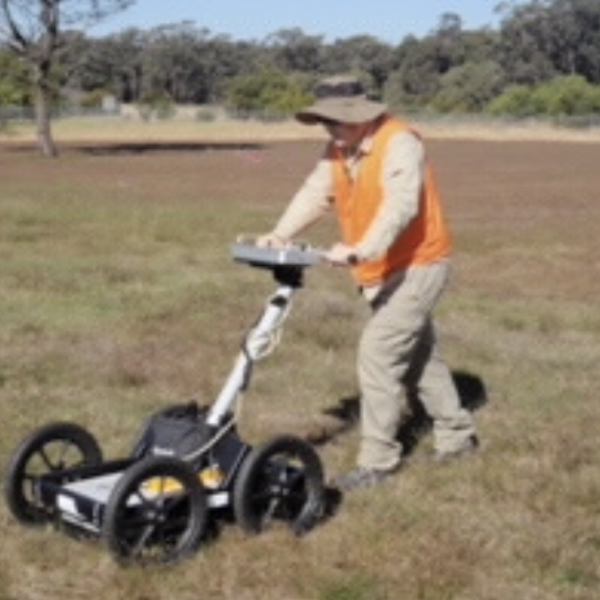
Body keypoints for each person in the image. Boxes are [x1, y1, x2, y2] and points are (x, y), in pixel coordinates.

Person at [257, 75, 478, 492]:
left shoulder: (400, 142)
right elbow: (315, 193)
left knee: (378, 352)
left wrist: (361, 248)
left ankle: (378, 462)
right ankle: (458, 437)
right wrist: (280, 234)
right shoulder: (338, 150)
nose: (329, 129)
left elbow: (401, 204)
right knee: (419, 358)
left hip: (419, 264)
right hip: (383, 268)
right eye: (324, 121)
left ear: (360, 116)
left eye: (336, 120)